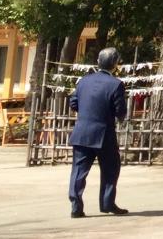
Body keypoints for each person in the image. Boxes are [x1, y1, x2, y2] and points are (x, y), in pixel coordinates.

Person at [67, 47, 129, 218]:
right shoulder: (116, 84)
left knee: (79, 171)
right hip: (104, 134)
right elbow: (120, 111)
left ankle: (75, 206)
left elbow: (73, 103)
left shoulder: (83, 82)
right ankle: (107, 203)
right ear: (115, 64)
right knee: (110, 168)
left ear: (98, 62)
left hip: (82, 132)